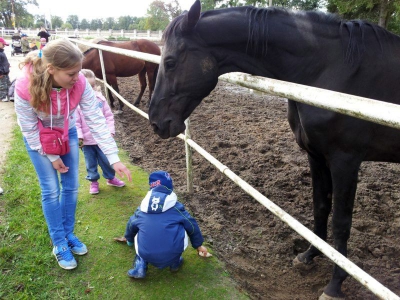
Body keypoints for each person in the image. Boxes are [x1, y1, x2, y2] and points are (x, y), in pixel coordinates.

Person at [14, 38, 132, 270]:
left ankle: (68, 234)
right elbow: (28, 126)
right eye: (70, 73)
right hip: (38, 137)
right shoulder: (23, 85)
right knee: (50, 189)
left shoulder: (79, 83)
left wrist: (113, 157)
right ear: (51, 69)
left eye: (78, 72)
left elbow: (96, 119)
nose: (76, 78)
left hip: (66, 131)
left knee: (71, 186)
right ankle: (58, 242)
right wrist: (51, 156)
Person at [124, 170, 210, 278]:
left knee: (138, 228)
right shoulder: (177, 208)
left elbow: (131, 225)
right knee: (183, 225)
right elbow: (192, 226)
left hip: (146, 253)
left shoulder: (142, 209)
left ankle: (140, 266)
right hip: (173, 251)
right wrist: (198, 245)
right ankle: (175, 262)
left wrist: (130, 240)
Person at [76, 69, 125, 194]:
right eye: (86, 86)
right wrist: (80, 137)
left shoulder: (100, 100)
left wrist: (110, 131)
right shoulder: (77, 105)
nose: (90, 89)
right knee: (90, 163)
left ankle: (110, 178)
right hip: (87, 142)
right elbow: (76, 122)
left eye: (92, 86)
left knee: (106, 161)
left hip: (102, 140)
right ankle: (93, 182)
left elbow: (108, 116)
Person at [0, 37, 10, 102]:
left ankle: (8, 95)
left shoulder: (2, 52)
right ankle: (2, 97)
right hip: (2, 73)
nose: (4, 46)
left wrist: (7, 65)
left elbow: (4, 61)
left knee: (8, 84)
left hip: (5, 72)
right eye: (3, 44)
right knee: (2, 86)